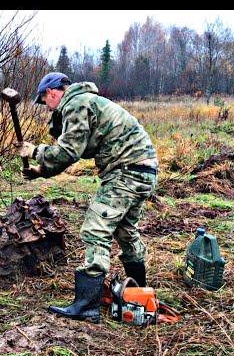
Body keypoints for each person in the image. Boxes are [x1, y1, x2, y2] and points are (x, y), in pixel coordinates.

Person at [15, 72, 158, 323]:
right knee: (125, 231)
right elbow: (72, 149)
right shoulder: (87, 101)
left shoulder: (76, 103)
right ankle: (138, 295)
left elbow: (69, 151)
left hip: (125, 171)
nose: (46, 108)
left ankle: (86, 306)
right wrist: (41, 171)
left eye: (44, 102)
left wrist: (35, 151)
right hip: (143, 170)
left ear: (51, 93)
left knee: (95, 230)